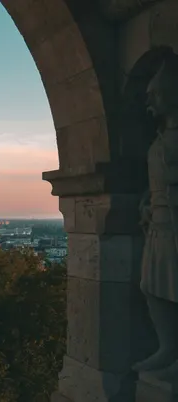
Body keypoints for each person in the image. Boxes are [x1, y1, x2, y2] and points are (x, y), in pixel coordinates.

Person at [134, 54, 178, 379]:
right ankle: (168, 347)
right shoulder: (159, 142)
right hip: (158, 228)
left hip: (171, 228)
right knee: (152, 288)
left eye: (155, 94)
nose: (149, 101)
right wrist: (147, 204)